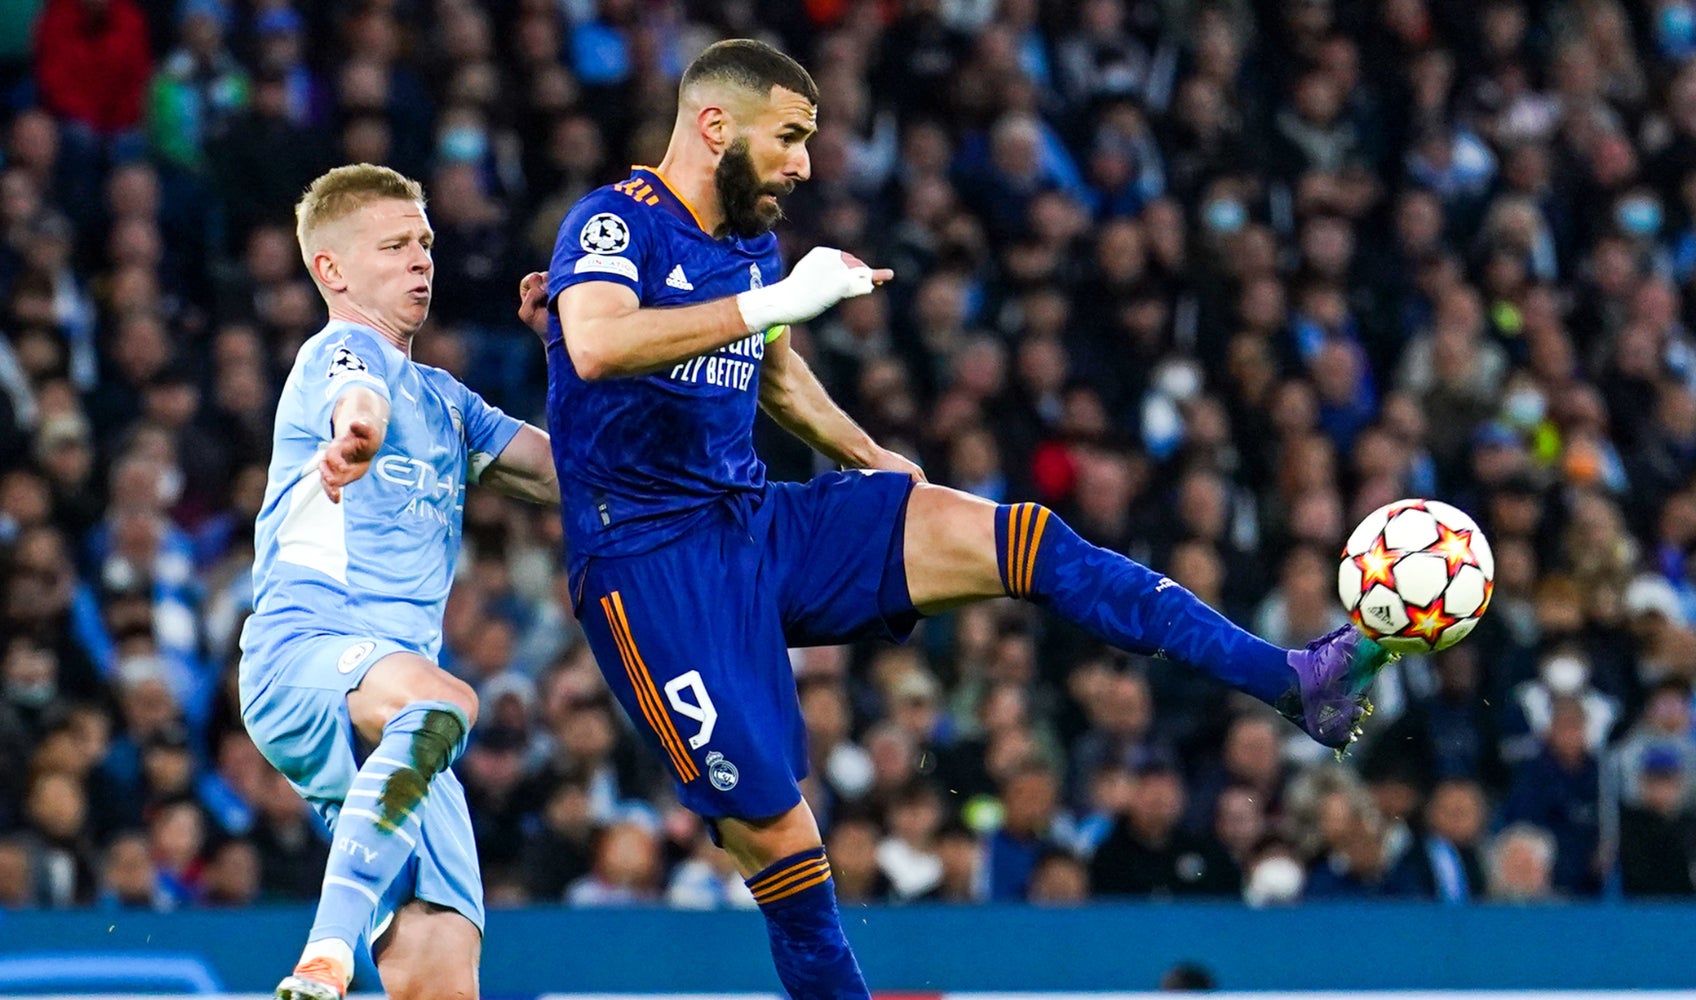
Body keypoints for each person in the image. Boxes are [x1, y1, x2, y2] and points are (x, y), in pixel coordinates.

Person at [525, 39, 1391, 999]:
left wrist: (868, 456)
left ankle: (1291, 679)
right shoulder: (614, 220)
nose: (806, 163)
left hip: (758, 524)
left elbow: (767, 365)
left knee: (1024, 539)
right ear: (714, 125)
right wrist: (774, 300)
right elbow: (596, 341)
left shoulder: (747, 239)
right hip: (649, 566)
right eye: (791, 138)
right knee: (781, 833)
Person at [239, 164, 557, 1000]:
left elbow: (574, 474)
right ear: (333, 270)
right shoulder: (336, 351)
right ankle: (327, 949)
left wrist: (571, 348)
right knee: (447, 700)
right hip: (309, 653)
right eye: (395, 245)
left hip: (401, 730)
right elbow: (360, 398)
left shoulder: (450, 401)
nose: (421, 260)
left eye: (425, 242)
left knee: (444, 975)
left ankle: (343, 951)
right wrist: (355, 440)